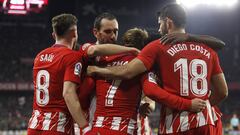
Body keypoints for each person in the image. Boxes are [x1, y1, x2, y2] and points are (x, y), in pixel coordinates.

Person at [87, 3, 228, 135]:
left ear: (168, 22)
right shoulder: (208, 49)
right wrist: (203, 106)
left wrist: (97, 70)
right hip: (208, 121)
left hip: (176, 124)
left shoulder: (157, 47)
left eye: (160, 24)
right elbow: (222, 91)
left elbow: (131, 74)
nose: (159, 29)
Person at [27, 13, 140, 135]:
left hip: (40, 122)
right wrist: (85, 128)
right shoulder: (81, 53)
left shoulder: (40, 56)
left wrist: (146, 101)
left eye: (115, 31)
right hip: (75, 123)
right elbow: (69, 92)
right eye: (108, 31)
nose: (113, 36)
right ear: (95, 32)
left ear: (54, 35)